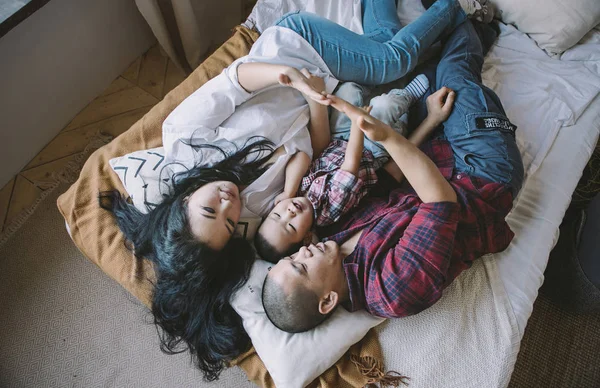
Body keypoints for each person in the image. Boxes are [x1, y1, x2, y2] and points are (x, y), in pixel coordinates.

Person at [100, 0, 490, 380]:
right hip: (321, 95)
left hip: (294, 54)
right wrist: (314, 121)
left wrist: (287, 75)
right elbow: (310, 156)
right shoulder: (258, 209)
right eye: (229, 221)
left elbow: (235, 80)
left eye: (208, 210)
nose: (227, 203)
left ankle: (460, 6)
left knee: (392, 60)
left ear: (184, 200)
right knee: (384, 42)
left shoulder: (181, 140)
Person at [262, 19, 525, 334]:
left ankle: (476, 31)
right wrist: (383, 135)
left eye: (292, 257)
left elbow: (388, 180)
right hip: (481, 173)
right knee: (453, 74)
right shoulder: (393, 290)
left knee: (420, 69)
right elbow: (440, 200)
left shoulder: (331, 237)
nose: (303, 252)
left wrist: (429, 121)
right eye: (301, 267)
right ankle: (471, 18)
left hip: (432, 149)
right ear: (328, 301)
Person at [255, 75, 459, 262]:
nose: (289, 212)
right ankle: (407, 95)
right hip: (367, 149)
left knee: (348, 90)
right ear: (308, 237)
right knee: (385, 106)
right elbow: (350, 166)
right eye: (291, 226)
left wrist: (288, 191)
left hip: (339, 139)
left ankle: (379, 89)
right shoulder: (327, 212)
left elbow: (301, 158)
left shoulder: (296, 192)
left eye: (277, 215)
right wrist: (356, 122)